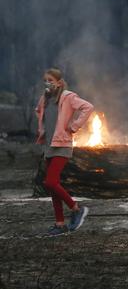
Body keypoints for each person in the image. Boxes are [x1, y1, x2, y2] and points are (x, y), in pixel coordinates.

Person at [35, 68, 94, 236]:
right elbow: (38, 111)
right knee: (53, 186)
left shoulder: (68, 97)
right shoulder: (44, 99)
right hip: (49, 145)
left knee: (50, 182)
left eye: (50, 80)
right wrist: (42, 129)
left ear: (59, 82)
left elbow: (88, 107)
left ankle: (76, 208)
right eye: (45, 80)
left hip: (62, 144)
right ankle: (59, 224)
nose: (47, 83)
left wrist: (74, 126)